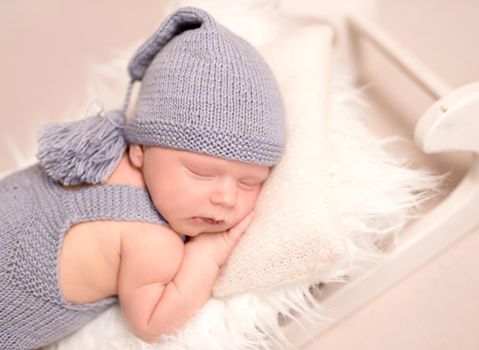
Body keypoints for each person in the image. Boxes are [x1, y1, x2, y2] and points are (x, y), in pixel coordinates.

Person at [0, 6, 285, 349]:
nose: (225, 197)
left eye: (248, 182)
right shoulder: (154, 242)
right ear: (139, 149)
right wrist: (207, 255)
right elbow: (151, 323)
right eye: (201, 172)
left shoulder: (97, 154)